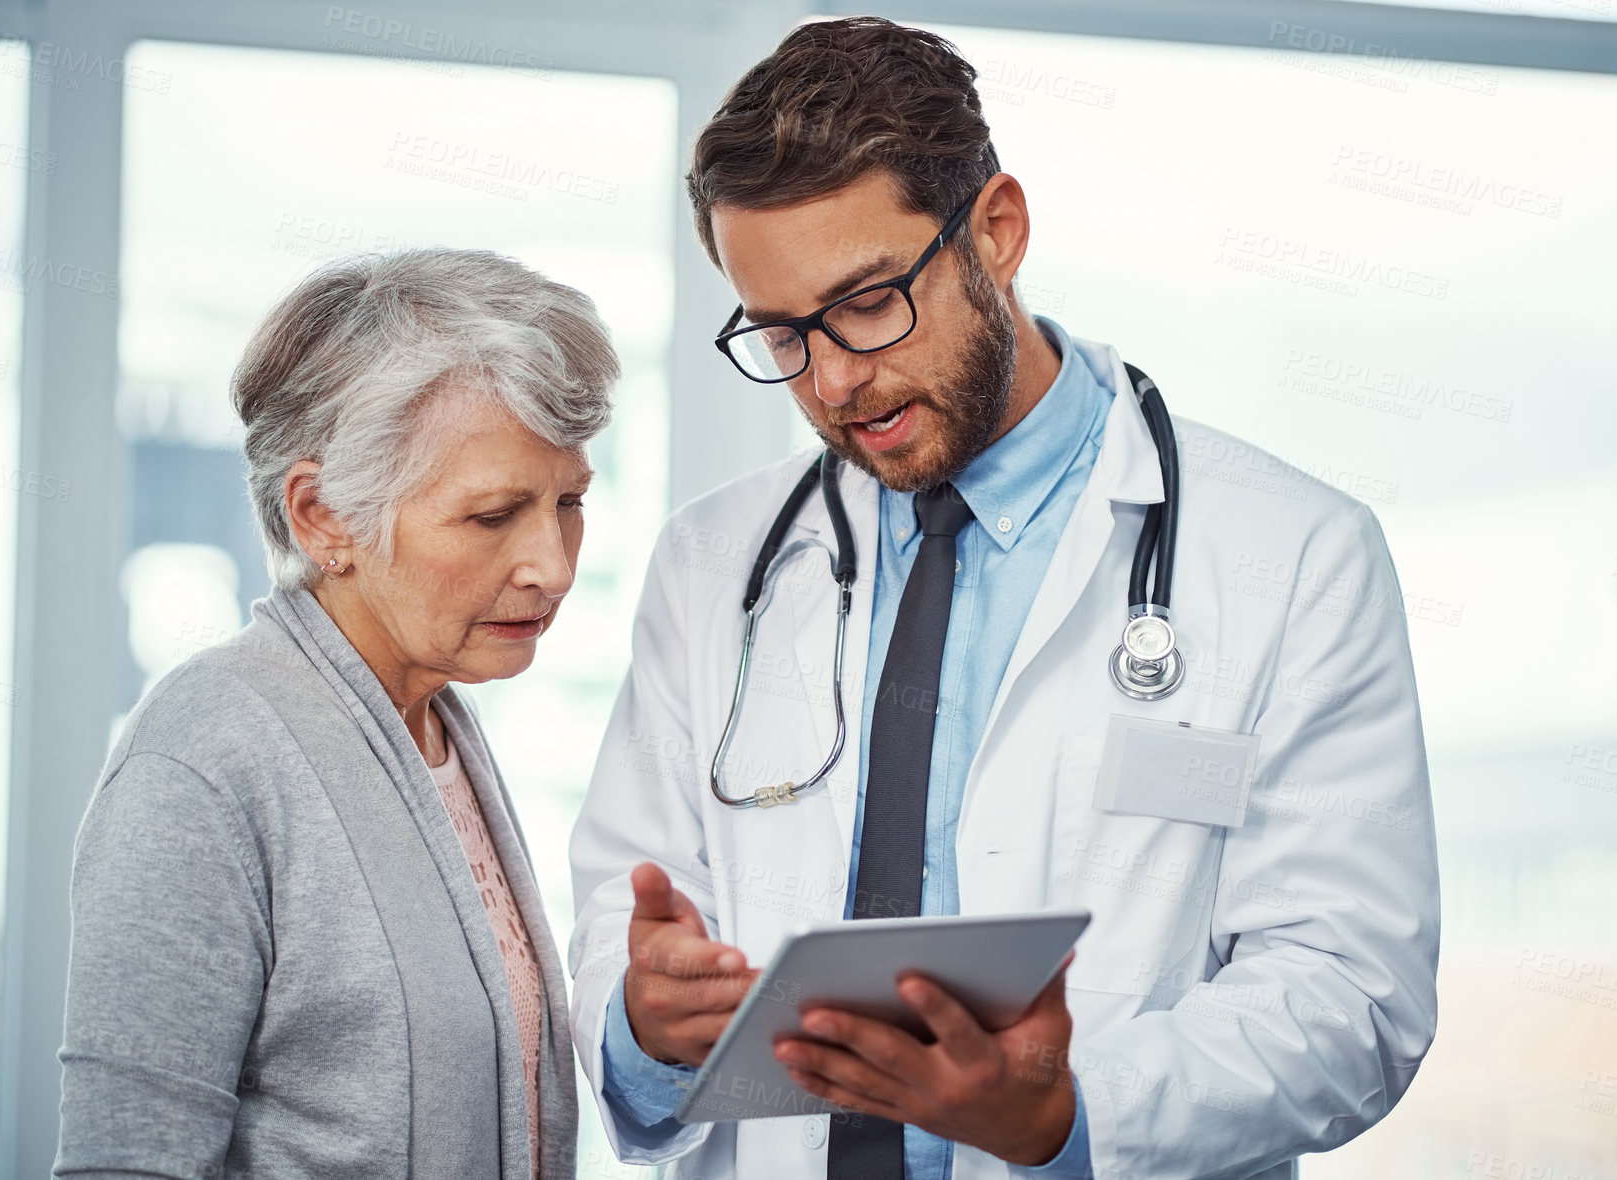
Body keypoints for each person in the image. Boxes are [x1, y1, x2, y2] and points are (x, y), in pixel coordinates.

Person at [568, 18, 1438, 1180]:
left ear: (997, 229)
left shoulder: (1296, 556)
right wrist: (643, 1027)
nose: (831, 381)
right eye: (780, 335)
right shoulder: (710, 563)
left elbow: (1350, 993)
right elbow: (617, 928)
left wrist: (1069, 1116)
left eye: (868, 302)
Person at [53, 248, 617, 1180]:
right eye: (492, 517)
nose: (552, 565)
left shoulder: (437, 721)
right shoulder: (206, 755)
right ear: (322, 518)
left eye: (569, 503)